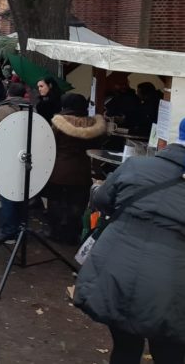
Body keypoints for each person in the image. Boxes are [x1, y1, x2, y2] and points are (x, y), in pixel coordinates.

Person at [74, 118, 185, 364]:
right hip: (170, 286)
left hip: (116, 271)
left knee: (125, 349)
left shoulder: (135, 166)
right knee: (170, 353)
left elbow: (102, 200)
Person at [44, 93, 106, 244]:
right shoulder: (94, 125)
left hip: (59, 170)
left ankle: (55, 231)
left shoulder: (59, 123)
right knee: (77, 204)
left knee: (56, 202)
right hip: (81, 170)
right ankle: (72, 234)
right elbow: (98, 145)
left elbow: (50, 144)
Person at [0, 82, 28, 243]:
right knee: (23, 193)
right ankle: (21, 226)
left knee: (7, 194)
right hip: (26, 157)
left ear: (8, 93)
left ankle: (8, 231)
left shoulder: (2, 110)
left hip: (7, 157)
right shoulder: (32, 109)